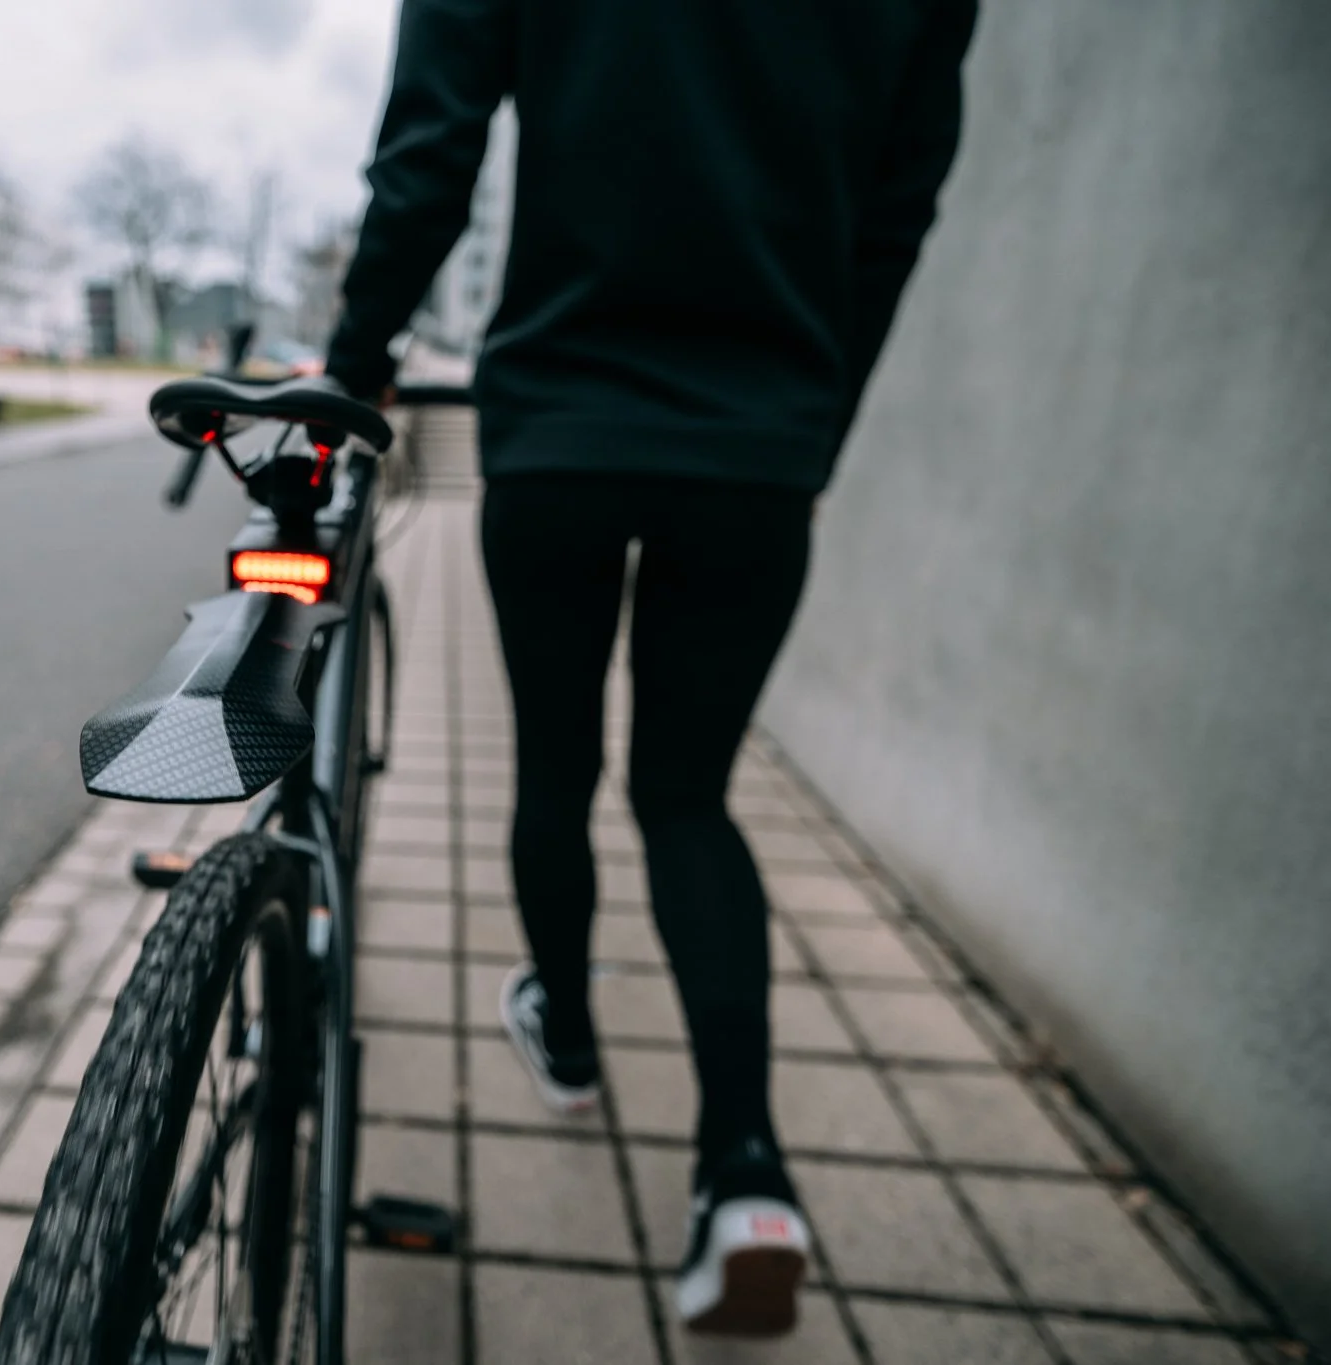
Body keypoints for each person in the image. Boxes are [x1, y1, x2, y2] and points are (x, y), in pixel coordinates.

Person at [324, 0, 978, 1337]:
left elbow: (430, 153)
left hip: (562, 424)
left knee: (554, 768)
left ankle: (563, 1034)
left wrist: (354, 361)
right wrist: (809, 429)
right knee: (687, 798)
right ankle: (744, 1173)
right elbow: (895, 211)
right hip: (759, 444)